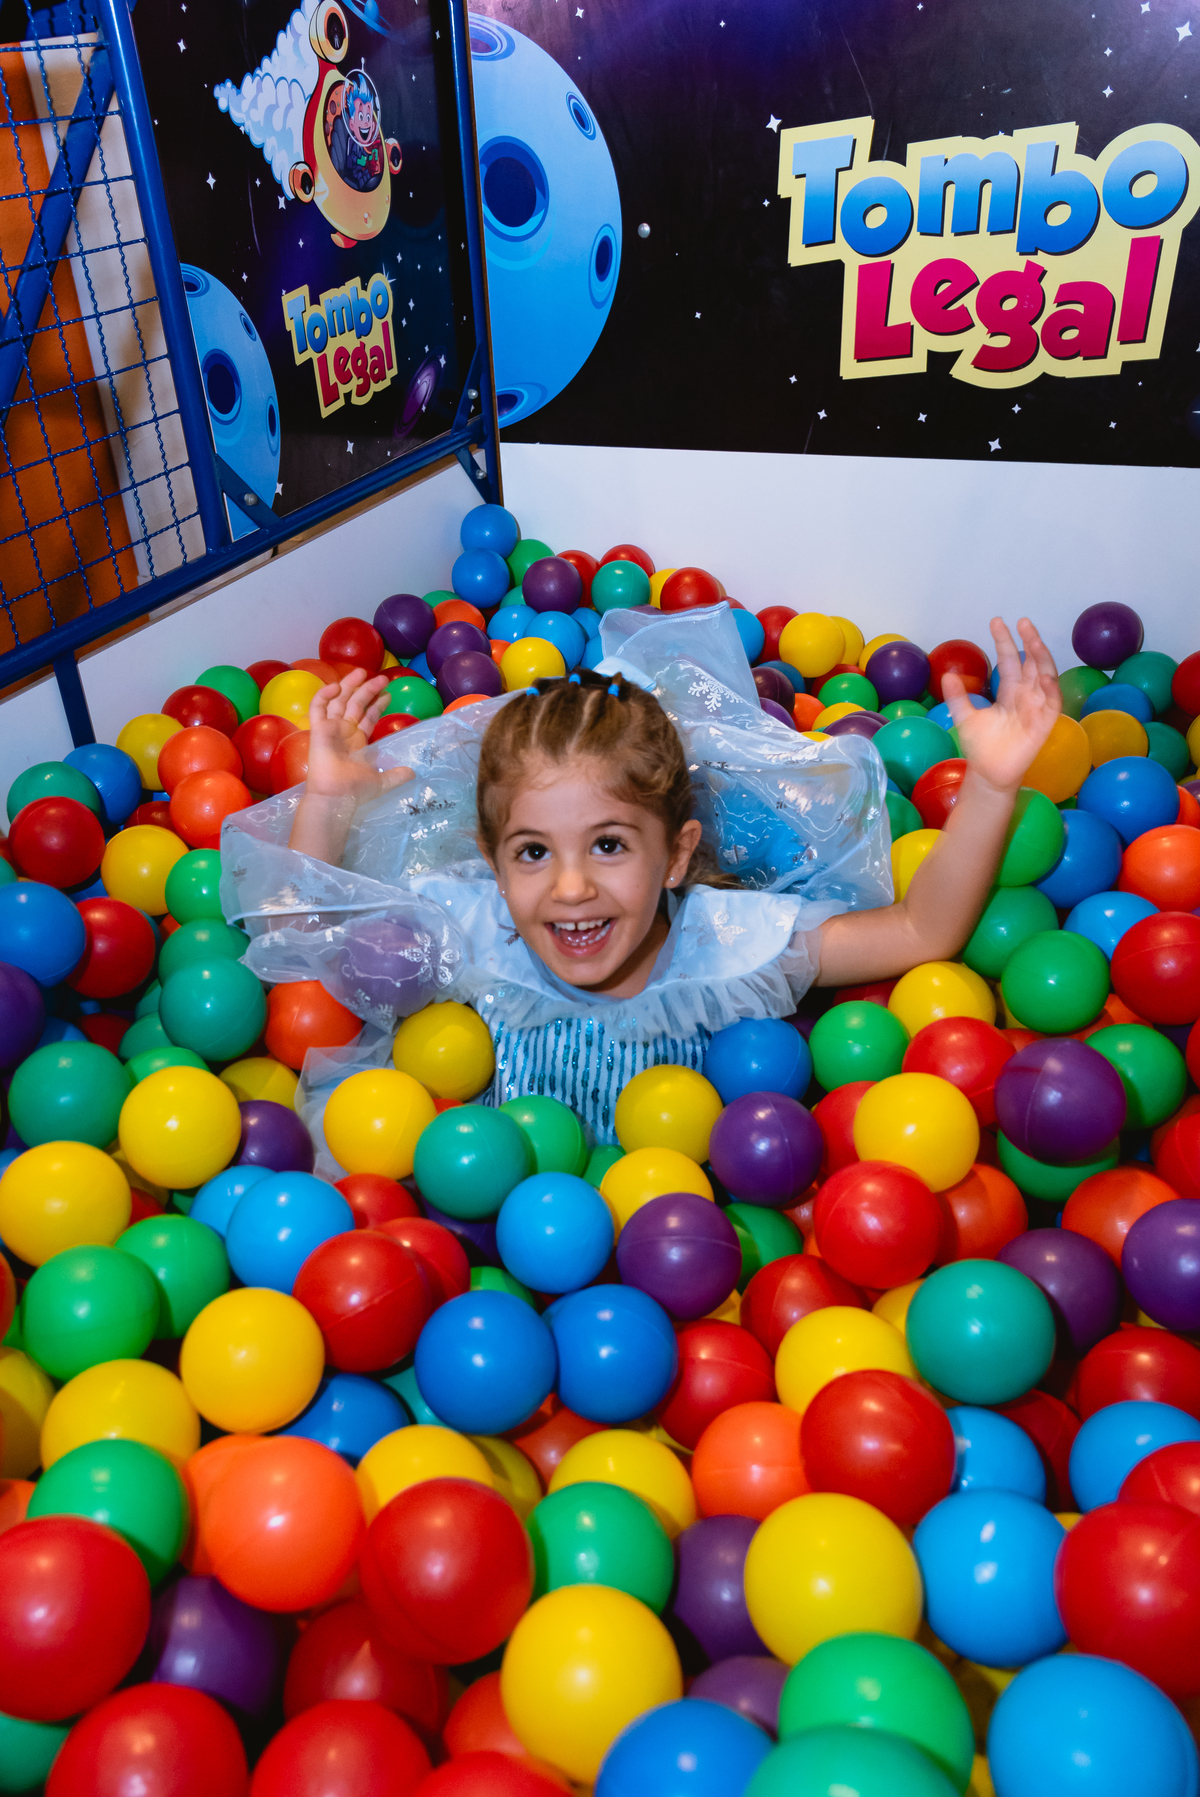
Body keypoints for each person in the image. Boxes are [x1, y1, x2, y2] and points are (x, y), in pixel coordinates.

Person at [282, 612, 1060, 1140]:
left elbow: (921, 929)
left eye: (610, 845)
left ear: (678, 855)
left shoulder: (728, 946)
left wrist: (990, 788)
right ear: (491, 863)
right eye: (532, 853)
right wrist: (329, 798)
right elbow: (310, 937)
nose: (571, 886)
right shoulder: (468, 933)